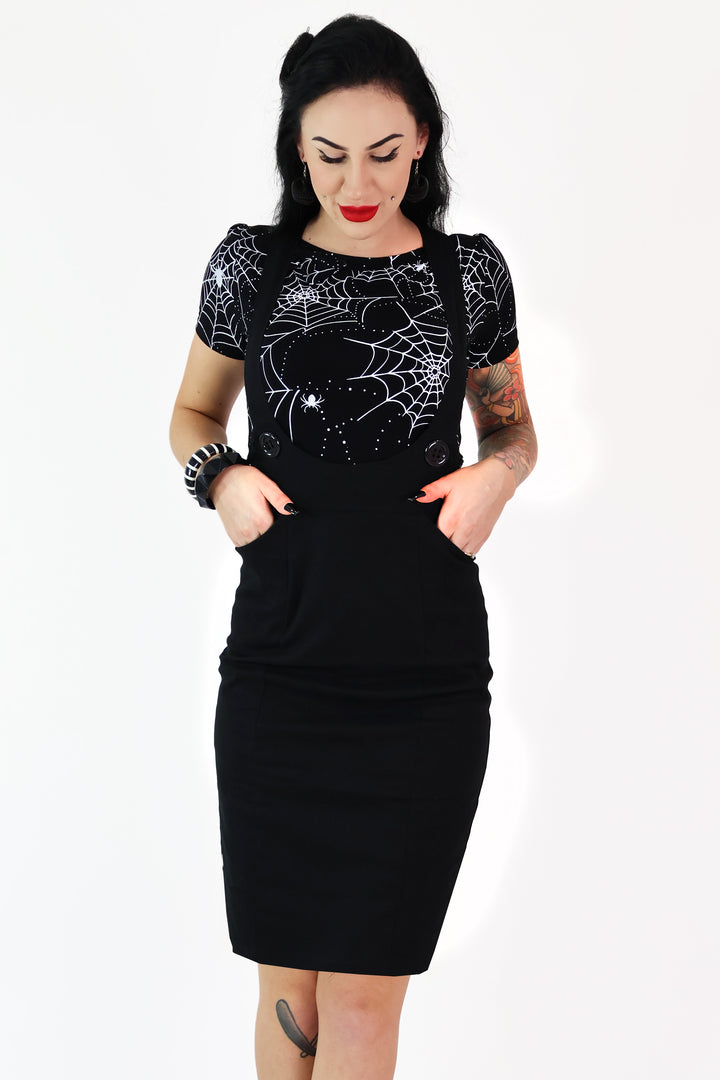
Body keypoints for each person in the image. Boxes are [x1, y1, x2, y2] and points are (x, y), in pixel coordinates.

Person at [169, 14, 537, 1080]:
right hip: (282, 669)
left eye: (383, 151)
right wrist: (221, 477)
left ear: (422, 138)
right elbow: (192, 414)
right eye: (330, 155)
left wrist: (498, 475)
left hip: (422, 680)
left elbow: (514, 430)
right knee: (287, 990)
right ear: (297, 147)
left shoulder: (470, 275)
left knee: (366, 1001)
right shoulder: (251, 266)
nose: (357, 181)